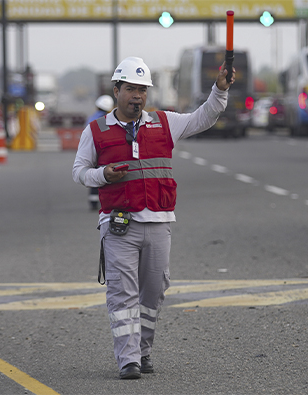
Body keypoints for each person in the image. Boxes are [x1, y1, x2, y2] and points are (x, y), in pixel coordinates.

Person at [72, 56, 235, 380]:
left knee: (154, 290)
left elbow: (205, 116)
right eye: (131, 89)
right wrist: (103, 174)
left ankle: (143, 350)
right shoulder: (96, 130)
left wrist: (219, 89)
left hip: (159, 222)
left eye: (142, 90)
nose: (137, 96)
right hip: (119, 225)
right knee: (123, 292)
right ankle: (128, 359)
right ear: (116, 90)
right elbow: (79, 172)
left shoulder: (164, 122)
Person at [85, 95, 115, 211]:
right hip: (102, 151)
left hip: (90, 151)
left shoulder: (91, 118)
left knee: (94, 175)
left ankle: (93, 201)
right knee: (105, 175)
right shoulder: (106, 119)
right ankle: (105, 201)